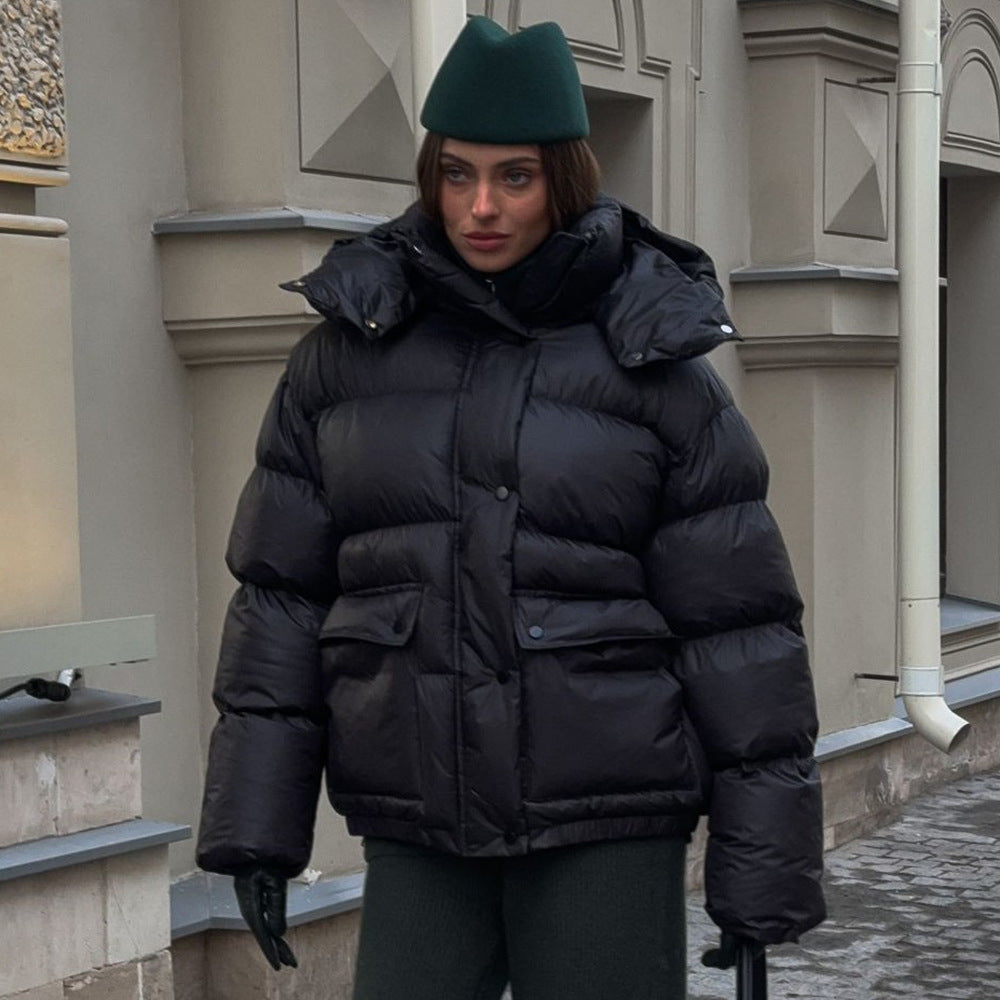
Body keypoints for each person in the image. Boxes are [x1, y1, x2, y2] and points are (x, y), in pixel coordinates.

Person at [196, 16, 825, 1000]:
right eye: (457, 174)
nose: (480, 206)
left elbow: (741, 632)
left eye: (515, 177)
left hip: (605, 822)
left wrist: (762, 885)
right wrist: (255, 829)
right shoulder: (344, 360)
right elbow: (280, 599)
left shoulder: (655, 366)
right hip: (418, 816)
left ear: (563, 179)